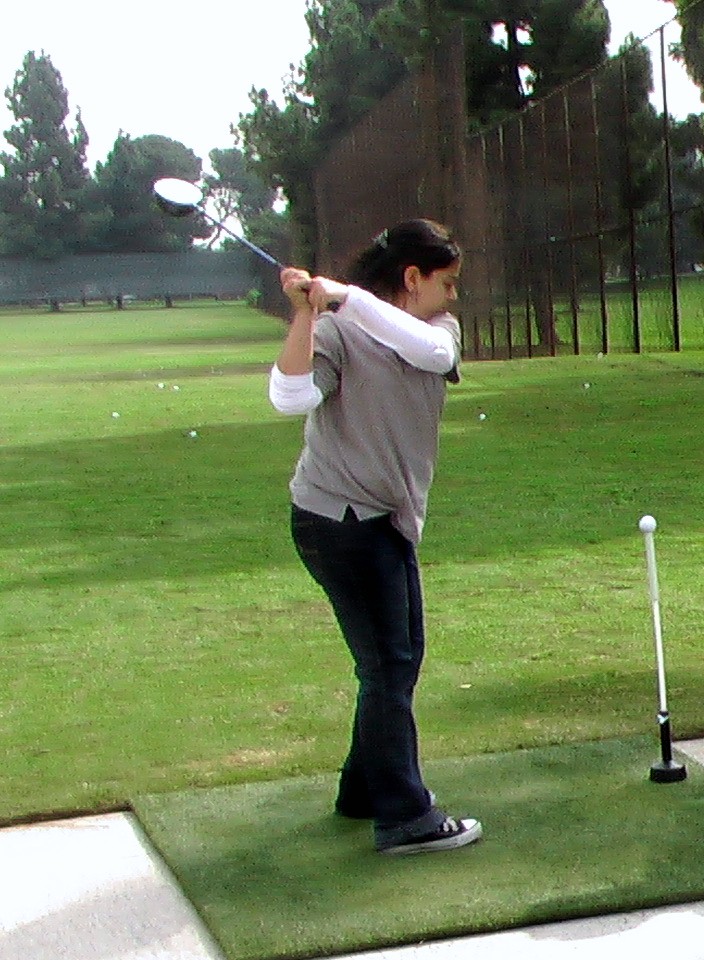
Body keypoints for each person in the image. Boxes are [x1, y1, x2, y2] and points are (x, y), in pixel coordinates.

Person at [268, 219, 483, 851]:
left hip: (381, 519)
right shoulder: (334, 330)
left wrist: (346, 297)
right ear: (413, 277)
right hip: (337, 519)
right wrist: (308, 315)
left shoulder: (437, 331)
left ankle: (364, 788)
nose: (453, 296)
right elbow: (289, 398)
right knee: (389, 661)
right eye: (446, 282)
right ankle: (404, 814)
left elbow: (431, 354)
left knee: (395, 658)